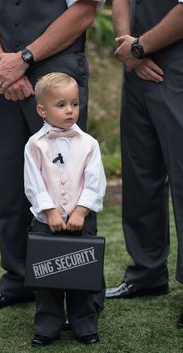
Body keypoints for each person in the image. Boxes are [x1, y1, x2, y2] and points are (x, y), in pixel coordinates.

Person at [0, 0, 106, 314]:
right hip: (2, 73)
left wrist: (25, 58)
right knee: (9, 174)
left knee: (67, 178)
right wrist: (3, 67)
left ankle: (80, 291)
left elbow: (84, 10)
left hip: (58, 73)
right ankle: (18, 280)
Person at [105, 0, 183, 327]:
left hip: (177, 61)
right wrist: (129, 49)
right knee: (140, 172)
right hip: (136, 62)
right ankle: (147, 272)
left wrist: (140, 47)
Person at [24, 72, 106, 346]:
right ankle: (48, 325)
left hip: (81, 220)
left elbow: (95, 181)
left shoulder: (89, 144)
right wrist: (50, 212)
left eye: (75, 103)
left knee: (82, 273)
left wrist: (81, 211)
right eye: (61, 105)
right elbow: (33, 182)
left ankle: (84, 324)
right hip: (46, 222)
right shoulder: (34, 145)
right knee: (48, 276)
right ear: (42, 110)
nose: (70, 110)